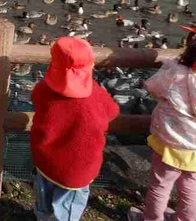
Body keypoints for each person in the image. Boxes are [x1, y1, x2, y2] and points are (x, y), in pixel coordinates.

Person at [31, 36, 119, 221]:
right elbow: (113, 111)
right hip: (78, 169)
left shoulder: (43, 88)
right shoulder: (95, 94)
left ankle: (41, 217)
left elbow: (36, 97)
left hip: (45, 159)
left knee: (43, 198)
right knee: (66, 210)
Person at [128, 35, 196, 221]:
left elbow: (153, 87)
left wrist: (172, 64)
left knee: (161, 185)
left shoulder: (176, 73)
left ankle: (151, 218)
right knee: (191, 188)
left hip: (170, 143)